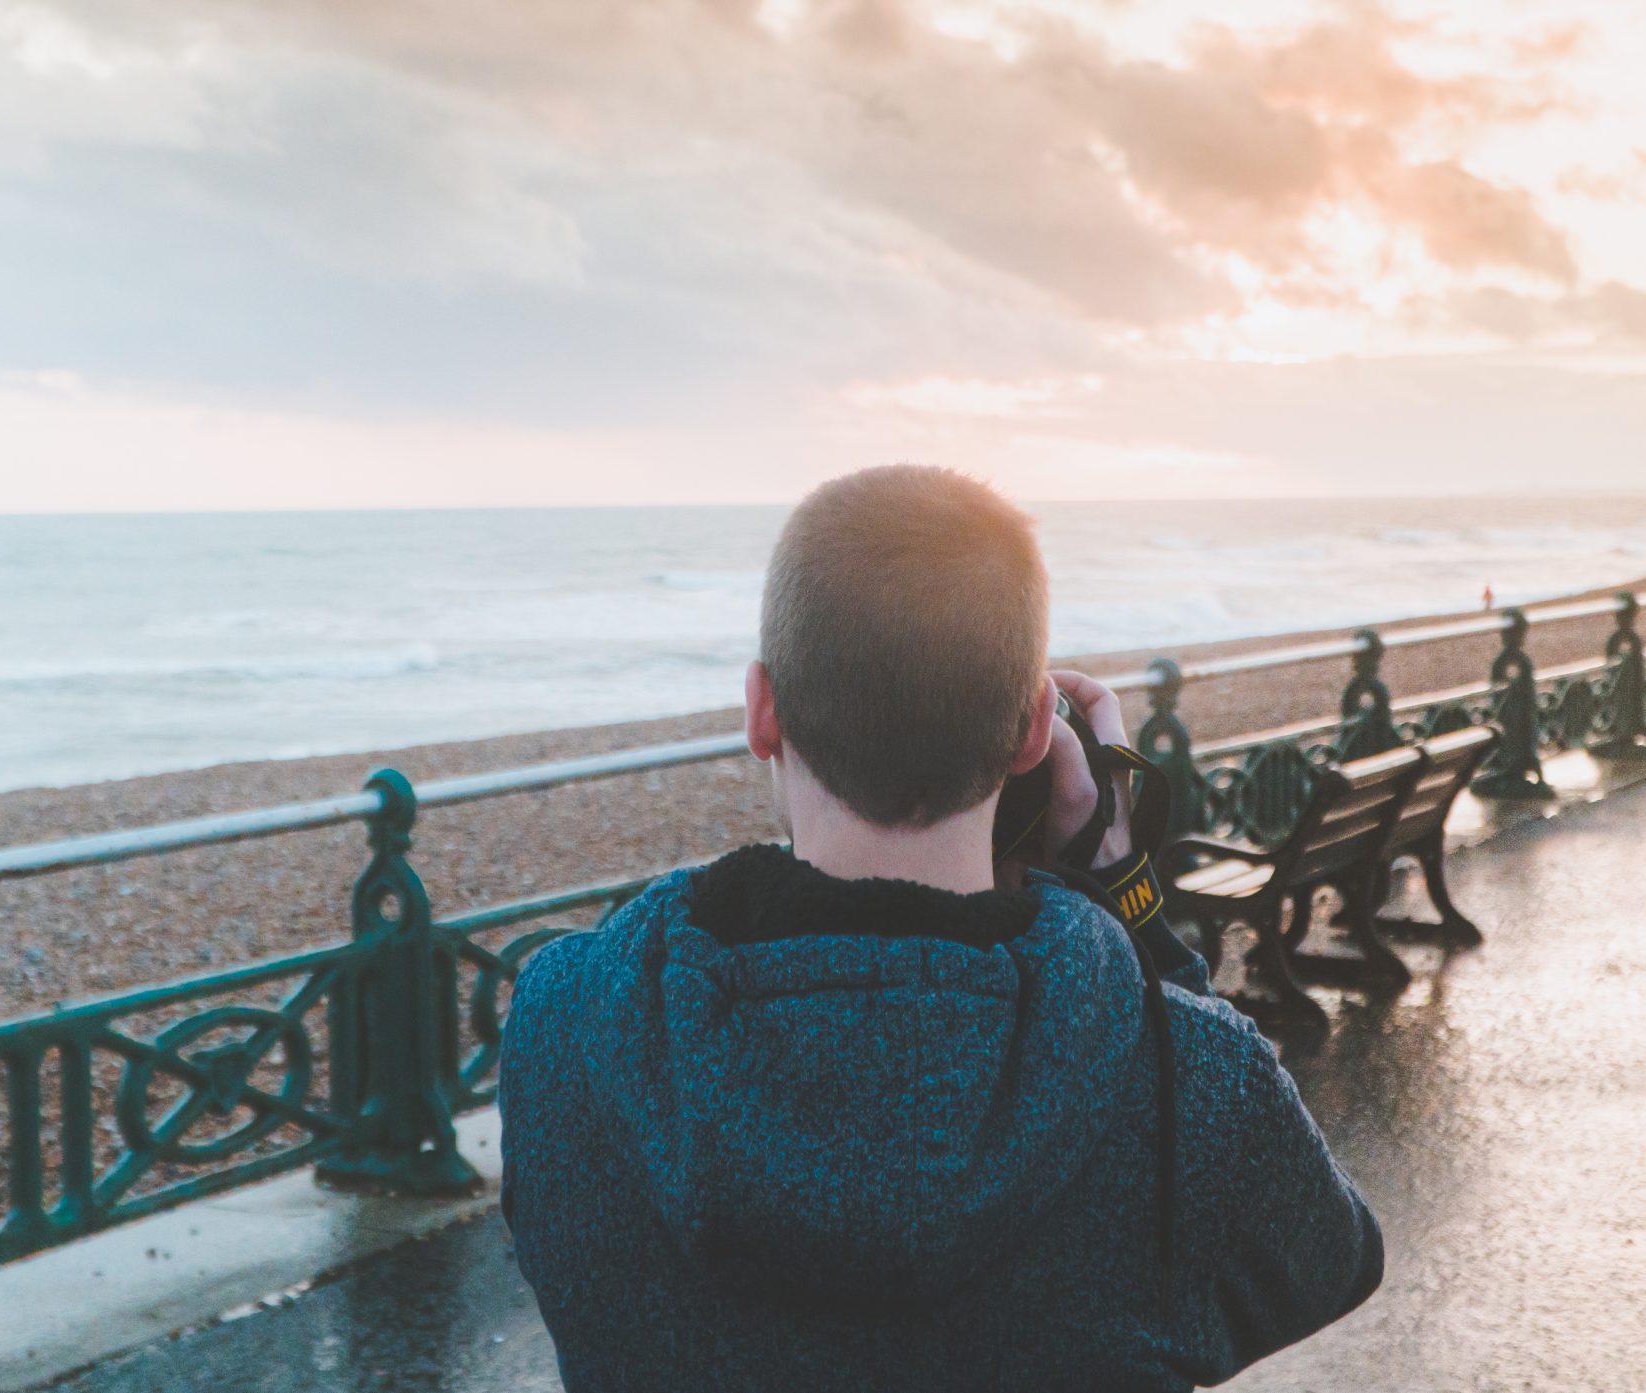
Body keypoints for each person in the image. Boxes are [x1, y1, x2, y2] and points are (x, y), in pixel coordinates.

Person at [499, 465, 1382, 1392]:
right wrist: (1125, 893)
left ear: (762, 710)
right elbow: (1331, 1259)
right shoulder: (1188, 1076)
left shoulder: (567, 1024)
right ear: (1036, 731)